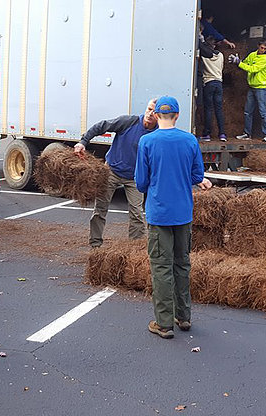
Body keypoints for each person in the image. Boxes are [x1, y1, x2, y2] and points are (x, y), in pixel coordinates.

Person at [134, 96, 211, 339]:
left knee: (161, 267)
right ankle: (184, 316)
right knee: (182, 263)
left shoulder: (147, 141)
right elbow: (197, 174)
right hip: (183, 213)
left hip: (159, 214)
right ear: (177, 116)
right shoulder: (189, 140)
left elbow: (141, 182)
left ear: (156, 116)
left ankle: (164, 323)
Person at [75, 99, 158, 248]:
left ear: (160, 116)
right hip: (111, 171)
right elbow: (102, 125)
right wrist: (83, 142)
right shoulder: (128, 122)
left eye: (154, 111)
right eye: (149, 109)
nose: (150, 114)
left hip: (134, 178)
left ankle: (135, 248)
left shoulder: (158, 134)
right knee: (100, 210)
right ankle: (95, 245)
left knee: (137, 214)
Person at [198, 37, 237, 142]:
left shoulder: (205, 56)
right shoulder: (220, 55)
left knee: (209, 109)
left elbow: (202, 50)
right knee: (219, 109)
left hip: (209, 83)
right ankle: (222, 134)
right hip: (219, 83)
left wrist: (200, 39)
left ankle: (207, 134)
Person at [236, 39, 266, 142]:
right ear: (258, 46)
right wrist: (238, 61)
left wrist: (239, 63)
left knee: (263, 112)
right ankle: (247, 134)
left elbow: (253, 69)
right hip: (252, 87)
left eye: (265, 48)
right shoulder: (252, 55)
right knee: (247, 111)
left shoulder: (265, 59)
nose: (263, 50)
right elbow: (245, 63)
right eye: (262, 47)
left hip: (261, 87)